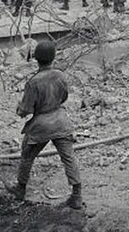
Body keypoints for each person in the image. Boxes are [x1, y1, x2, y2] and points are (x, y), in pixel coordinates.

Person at [5, 40, 83, 209]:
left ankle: (20, 190)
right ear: (53, 58)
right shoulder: (60, 76)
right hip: (61, 121)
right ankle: (76, 195)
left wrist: (19, 108)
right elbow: (64, 97)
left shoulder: (33, 83)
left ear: (36, 59)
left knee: (27, 155)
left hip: (41, 125)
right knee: (68, 157)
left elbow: (25, 110)